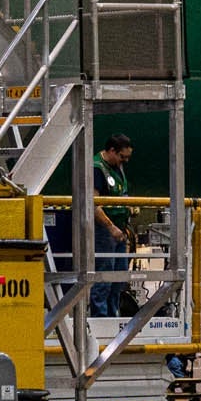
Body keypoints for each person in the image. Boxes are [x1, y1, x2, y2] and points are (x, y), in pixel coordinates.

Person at [92, 133, 134, 315]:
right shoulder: (97, 168)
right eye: (122, 157)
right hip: (105, 231)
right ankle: (100, 319)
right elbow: (93, 204)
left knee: (118, 277)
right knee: (104, 278)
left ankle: (113, 316)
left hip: (119, 230)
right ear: (111, 151)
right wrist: (110, 226)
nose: (124, 161)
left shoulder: (117, 167)